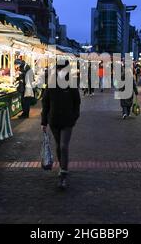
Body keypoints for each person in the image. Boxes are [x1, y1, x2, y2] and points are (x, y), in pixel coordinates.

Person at [41, 61, 81, 190]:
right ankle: (62, 166)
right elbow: (45, 104)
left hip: (67, 121)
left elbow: (77, 102)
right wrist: (44, 121)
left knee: (64, 146)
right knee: (58, 146)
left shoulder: (71, 84)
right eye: (59, 69)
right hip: (54, 120)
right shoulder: (51, 84)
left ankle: (63, 174)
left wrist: (74, 117)